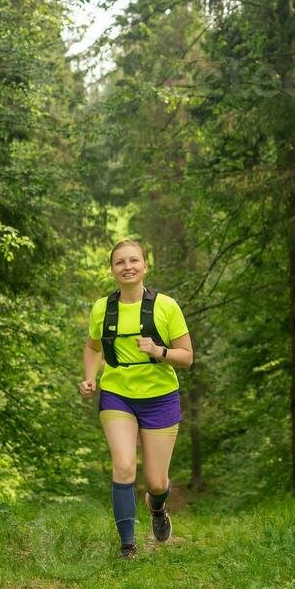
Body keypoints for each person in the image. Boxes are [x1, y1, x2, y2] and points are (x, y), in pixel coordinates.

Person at [80, 239, 194, 558]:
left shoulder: (166, 306)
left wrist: (159, 351)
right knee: (124, 465)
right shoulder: (102, 308)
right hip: (117, 395)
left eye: (133, 261)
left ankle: (157, 507)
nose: (127, 267)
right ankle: (127, 545)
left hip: (160, 398)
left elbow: (187, 357)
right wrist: (90, 378)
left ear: (145, 266)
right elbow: (93, 347)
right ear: (112, 270)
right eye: (120, 262)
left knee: (156, 482)